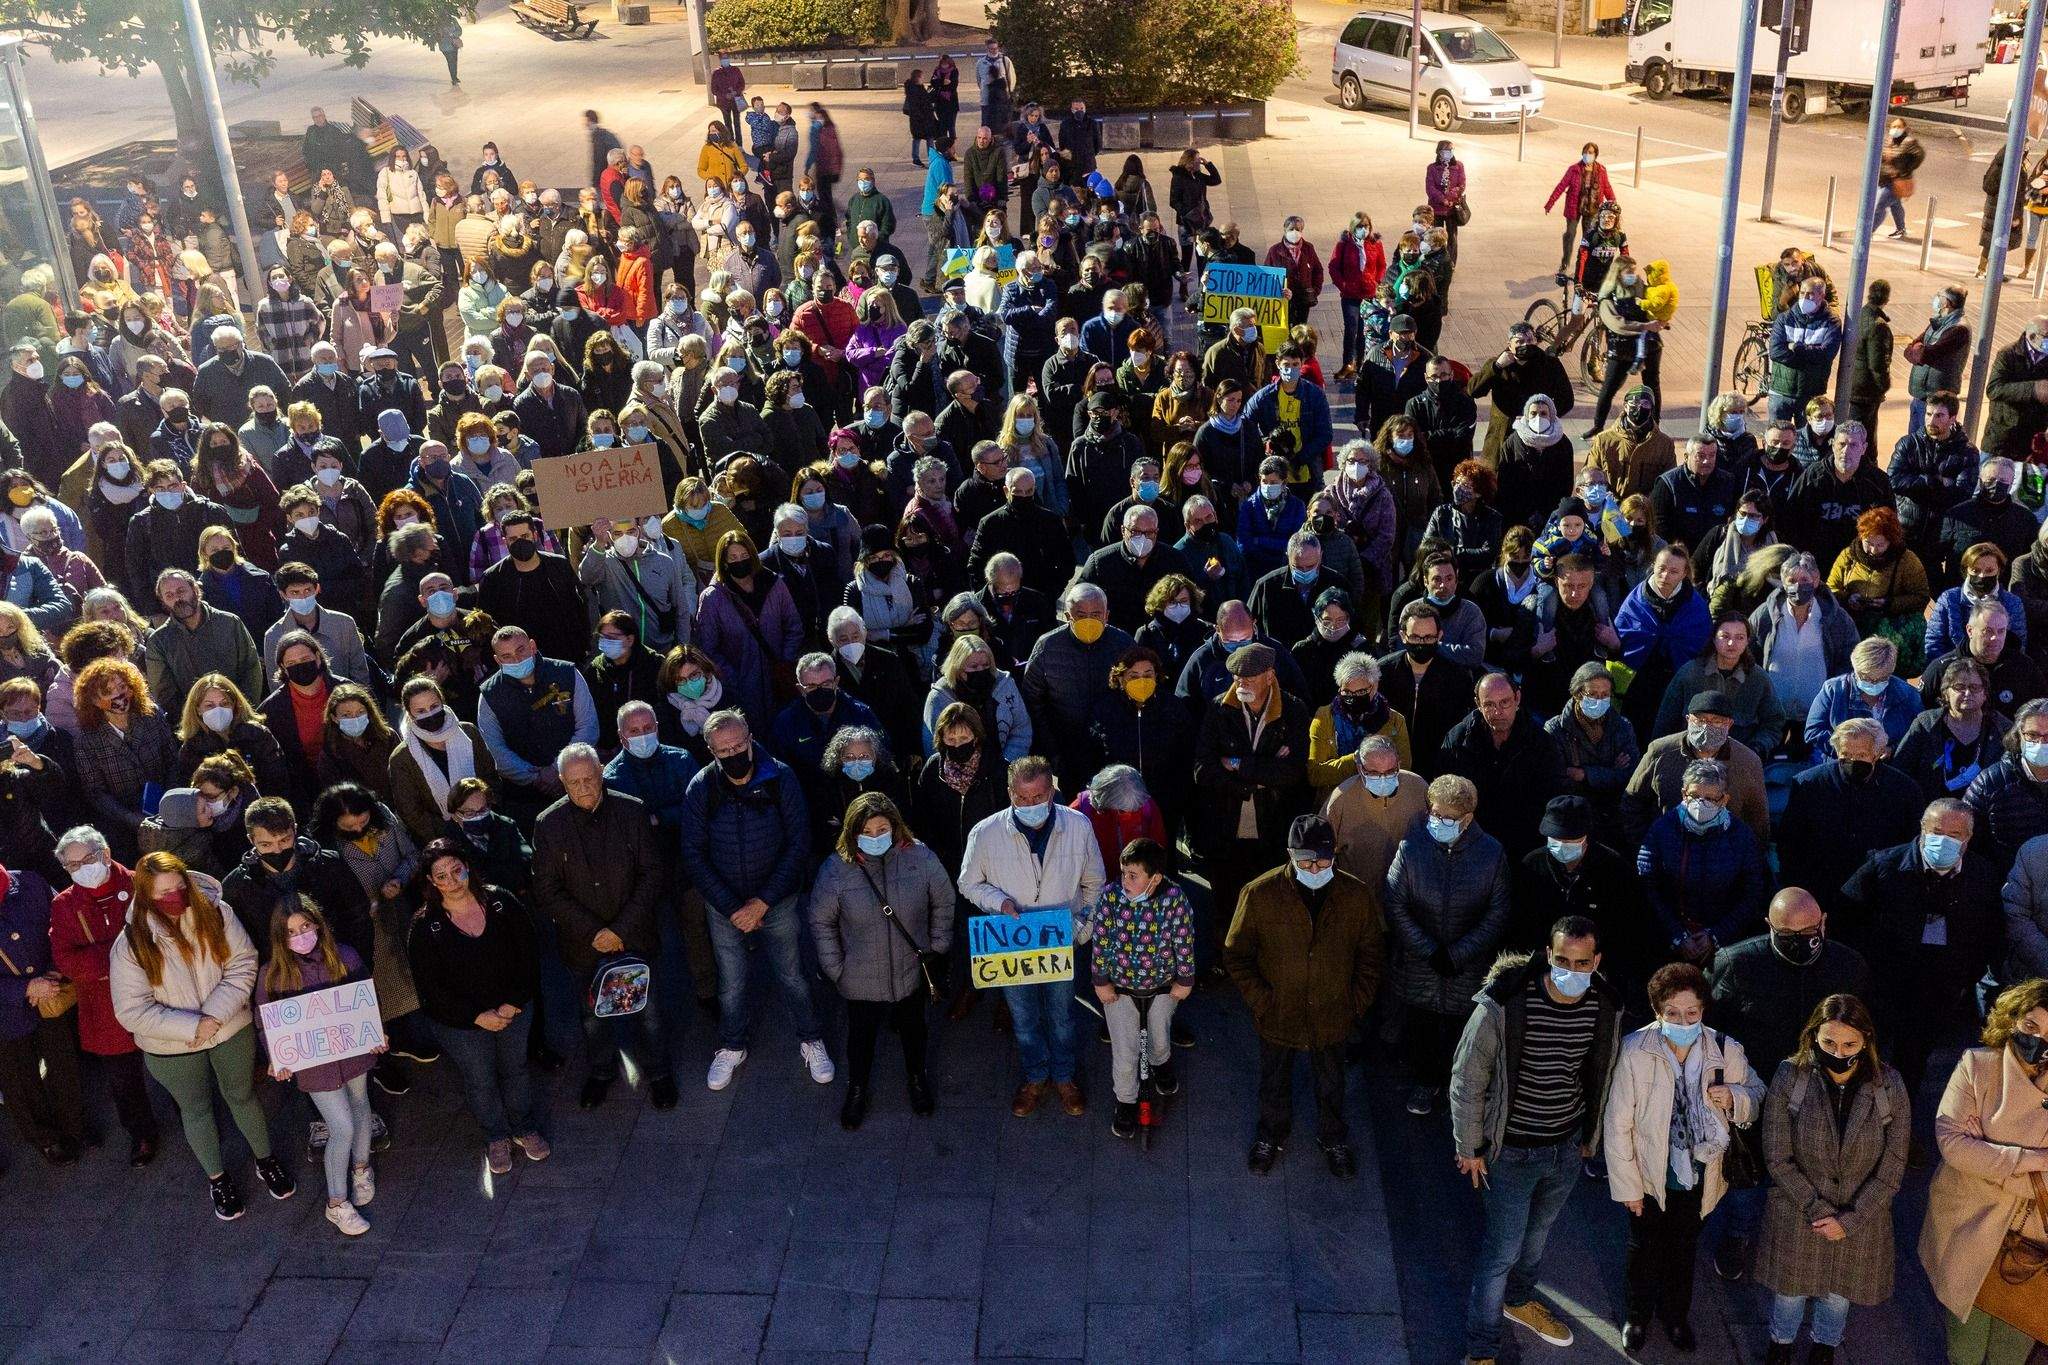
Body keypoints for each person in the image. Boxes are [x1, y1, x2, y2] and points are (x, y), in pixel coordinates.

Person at [1452, 914, 1624, 1361]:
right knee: (1500, 1253)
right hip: (1510, 1153)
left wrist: (1590, 1136)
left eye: (1582, 962)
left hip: (1564, 1149)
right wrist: (1470, 1148)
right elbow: (1469, 1078)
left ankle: (1520, 1299)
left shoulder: (1604, 1005)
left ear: (1597, 961)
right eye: (1562, 959)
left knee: (1537, 1238)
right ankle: (1481, 1349)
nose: (1571, 970)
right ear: (1548, 955)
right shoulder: (1506, 1002)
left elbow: (1600, 1074)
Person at [109, 851, 295, 1220]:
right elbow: (131, 1010)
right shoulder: (131, 943)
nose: (175, 897)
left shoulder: (216, 913)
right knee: (196, 1110)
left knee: (242, 1096)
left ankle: (265, 1159)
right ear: (146, 897)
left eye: (179, 887)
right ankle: (218, 1178)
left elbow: (243, 962)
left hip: (229, 1027)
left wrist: (214, 1015)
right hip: (172, 1047)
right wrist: (194, 1026)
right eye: (163, 894)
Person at [1707, 887, 1877, 1282]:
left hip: (1821, 1093)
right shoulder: (1736, 964)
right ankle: (1737, 1236)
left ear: (1824, 923)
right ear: (1768, 927)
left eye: (1809, 932)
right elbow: (1714, 1032)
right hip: (1757, 1091)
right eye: (1788, 936)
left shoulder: (1849, 966)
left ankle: (1803, 1242)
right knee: (1748, 1175)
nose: (1801, 944)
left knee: (1810, 1173)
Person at [1606, 961, 1763, 1352]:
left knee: (1683, 1249)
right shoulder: (1634, 1050)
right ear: (1658, 1010)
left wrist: (1736, 1097)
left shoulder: (1726, 1049)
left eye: (1691, 1012)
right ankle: (1637, 1317)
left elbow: (1757, 1093)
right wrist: (1628, 1187)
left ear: (1703, 1011)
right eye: (1672, 1012)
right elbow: (1618, 1123)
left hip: (1702, 1173)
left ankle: (1675, 1317)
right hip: (1648, 1172)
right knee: (1643, 1248)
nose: (1683, 1019)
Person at [1752, 992, 1909, 1363]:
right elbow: (1777, 1155)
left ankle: (1824, 1348)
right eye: (1829, 1042)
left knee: (1838, 1292)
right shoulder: (1791, 1076)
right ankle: (1781, 1344)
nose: (1839, 1052)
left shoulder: (1890, 1084)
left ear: (1866, 1041)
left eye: (1849, 1043)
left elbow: (1894, 1162)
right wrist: (1819, 1209)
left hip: (1859, 1215)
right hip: (1799, 1209)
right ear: (1813, 1038)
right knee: (1790, 1292)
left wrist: (1849, 1220)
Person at [680, 709, 831, 1091]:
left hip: (776, 901)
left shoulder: (781, 777)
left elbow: (799, 844)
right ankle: (732, 1044)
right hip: (724, 906)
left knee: (793, 974)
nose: (733, 754)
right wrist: (733, 908)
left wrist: (762, 902)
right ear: (711, 751)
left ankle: (811, 1038)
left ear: (750, 738)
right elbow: (694, 855)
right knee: (731, 983)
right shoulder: (701, 787)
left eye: (738, 745)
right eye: (722, 750)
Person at [1224, 813, 1383, 1175]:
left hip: (1333, 1013)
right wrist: (1264, 1000)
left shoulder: (1356, 895)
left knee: (1331, 1081)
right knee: (1273, 1080)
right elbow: (1236, 955)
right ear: (1290, 855)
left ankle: (1333, 1137)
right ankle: (1270, 1133)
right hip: (1279, 1014)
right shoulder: (1260, 893)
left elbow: (1371, 955)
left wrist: (1354, 1002)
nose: (1315, 868)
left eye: (1324, 860)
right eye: (1306, 860)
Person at [957, 754, 1105, 1117]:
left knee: (1062, 1015)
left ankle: (1065, 1075)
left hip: (1061, 942)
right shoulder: (985, 833)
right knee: (1023, 1018)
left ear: (1051, 792)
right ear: (1010, 793)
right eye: (1021, 798)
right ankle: (1036, 1075)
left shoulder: (1079, 826)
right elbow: (968, 883)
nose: (1029, 805)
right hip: (1014, 946)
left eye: (1037, 797)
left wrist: (1082, 929)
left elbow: (1095, 883)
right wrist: (1000, 902)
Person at [533, 744, 671, 1110]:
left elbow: (653, 874)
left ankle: (659, 1072)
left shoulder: (632, 810)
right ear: (562, 782)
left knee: (650, 1012)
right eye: (574, 782)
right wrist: (595, 933)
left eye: (590, 779)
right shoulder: (548, 824)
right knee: (592, 1016)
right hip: (584, 946)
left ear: (601, 773)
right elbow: (547, 890)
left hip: (634, 936)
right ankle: (601, 1071)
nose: (583, 789)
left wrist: (620, 930)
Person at [1920, 977, 2048, 1364]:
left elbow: (1970, 1155)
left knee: (2009, 1357)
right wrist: (2035, 1160)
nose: (2039, 1040)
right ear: (2012, 1019)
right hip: (1968, 1231)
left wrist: (1986, 1153)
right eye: (2031, 1026)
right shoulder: (1978, 1065)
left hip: (2032, 1244)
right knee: (1965, 1354)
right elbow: (1953, 1145)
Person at [1843, 796, 1999, 1110]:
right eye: (1937, 831)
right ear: (1922, 829)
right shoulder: (1885, 866)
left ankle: (1900, 1123)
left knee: (1911, 1063)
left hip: (1938, 987)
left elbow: (1989, 933)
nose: (1944, 841)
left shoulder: (1982, 875)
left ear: (1968, 839)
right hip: (1884, 982)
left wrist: (1962, 978)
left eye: (1954, 836)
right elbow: (1848, 917)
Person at [405, 837, 549, 1175]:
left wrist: (512, 1004)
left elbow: (528, 954)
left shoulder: (501, 901)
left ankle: (524, 1127)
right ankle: (496, 1136)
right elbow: (430, 988)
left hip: (513, 1010)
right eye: (442, 876)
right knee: (480, 1078)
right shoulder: (425, 925)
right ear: (430, 882)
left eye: (457, 870)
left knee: (516, 1069)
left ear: (468, 868)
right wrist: (476, 1016)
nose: (453, 881)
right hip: (461, 1024)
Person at [810, 790, 952, 1130]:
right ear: (853, 833)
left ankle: (917, 1079)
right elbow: (821, 921)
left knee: (914, 1030)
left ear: (895, 826)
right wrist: (836, 969)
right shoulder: (836, 869)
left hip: (910, 971)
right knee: (860, 1038)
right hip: (860, 979)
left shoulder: (919, 857)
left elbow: (944, 900)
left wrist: (938, 945)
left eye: (883, 829)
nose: (876, 838)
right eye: (868, 833)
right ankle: (857, 1088)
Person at [1386, 773, 1512, 1116]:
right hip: (1420, 966)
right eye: (1435, 813)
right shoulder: (1411, 847)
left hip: (1466, 968)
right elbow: (1396, 903)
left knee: (1463, 1036)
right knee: (1422, 1031)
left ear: (1468, 818)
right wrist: (1429, 950)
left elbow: (1498, 912)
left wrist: (1459, 953)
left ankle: (1460, 1093)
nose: (1439, 822)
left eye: (1448, 818)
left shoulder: (1491, 854)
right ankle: (1426, 1083)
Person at [255, 902, 380, 1235]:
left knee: (360, 1106)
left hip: (353, 1054)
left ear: (319, 925)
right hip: (314, 1066)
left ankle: (361, 1167)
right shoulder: (272, 974)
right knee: (341, 1127)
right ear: (280, 938)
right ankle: (337, 1203)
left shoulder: (345, 955)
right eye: (291, 932)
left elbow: (367, 997)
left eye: (306, 927)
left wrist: (376, 1031)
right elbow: (265, 1023)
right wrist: (276, 1058)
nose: (301, 936)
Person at [1777, 718, 1922, 921]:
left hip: (1879, 897)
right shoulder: (1809, 784)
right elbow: (1790, 844)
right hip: (1823, 894)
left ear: (1878, 753)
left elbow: (1911, 847)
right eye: (1846, 754)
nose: (1853, 761)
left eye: (1861, 755)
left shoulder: (1904, 791)